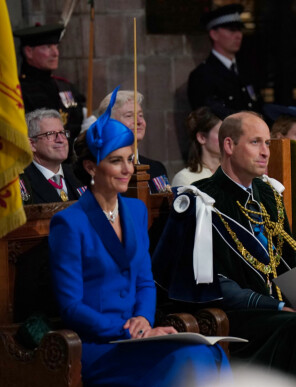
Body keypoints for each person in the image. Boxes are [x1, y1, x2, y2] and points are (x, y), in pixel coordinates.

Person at [152, 111, 296, 387]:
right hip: (238, 320)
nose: (265, 152)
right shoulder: (202, 201)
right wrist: (282, 308)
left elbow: (288, 262)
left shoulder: (268, 195)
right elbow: (214, 286)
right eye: (255, 143)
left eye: (267, 143)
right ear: (229, 145)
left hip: (285, 313)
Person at [48, 87, 231, 386]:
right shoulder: (68, 223)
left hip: (139, 335)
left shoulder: (135, 210)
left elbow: (145, 281)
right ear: (91, 167)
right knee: (190, 359)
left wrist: (144, 320)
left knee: (209, 353)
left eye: (130, 159)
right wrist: (128, 329)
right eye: (116, 161)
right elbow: (71, 306)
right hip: (99, 346)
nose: (127, 169)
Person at [13, 24, 85, 159]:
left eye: (56, 47)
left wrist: (85, 132)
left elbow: (74, 124)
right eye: (47, 47)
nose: (55, 53)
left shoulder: (66, 87)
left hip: (69, 163)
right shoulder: (18, 90)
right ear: (29, 52)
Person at [187, 4, 262, 114]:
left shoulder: (246, 69)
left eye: (239, 30)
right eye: (232, 30)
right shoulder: (202, 75)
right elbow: (207, 118)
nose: (238, 35)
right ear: (214, 34)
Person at [96, 89, 170, 193]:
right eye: (129, 116)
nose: (139, 121)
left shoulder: (156, 168)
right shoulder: (103, 171)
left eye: (140, 115)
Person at [19, 108, 84, 204]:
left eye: (62, 133)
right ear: (32, 144)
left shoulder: (79, 173)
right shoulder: (20, 181)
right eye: (50, 134)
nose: (61, 140)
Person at [172, 107, 222, 186]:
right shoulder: (185, 178)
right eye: (221, 133)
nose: (228, 139)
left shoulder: (235, 174)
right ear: (202, 138)